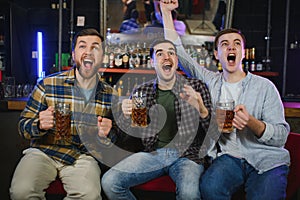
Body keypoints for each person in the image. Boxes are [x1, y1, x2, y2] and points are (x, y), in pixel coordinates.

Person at [160, 0, 290, 199]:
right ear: (216, 54)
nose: (231, 48)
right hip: (229, 157)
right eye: (224, 44)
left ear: (243, 53)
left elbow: (281, 136)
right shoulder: (210, 81)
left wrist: (253, 124)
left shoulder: (265, 87)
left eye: (237, 44)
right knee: (210, 189)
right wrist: (166, 13)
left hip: (266, 159)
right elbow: (180, 53)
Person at [9, 28, 121, 199]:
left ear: (103, 56)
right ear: (74, 54)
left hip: (83, 157)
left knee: (89, 195)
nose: (88, 52)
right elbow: (23, 126)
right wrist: (39, 124)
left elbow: (112, 142)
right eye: (82, 46)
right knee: (21, 191)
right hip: (44, 151)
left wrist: (107, 135)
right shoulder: (48, 84)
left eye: (95, 47)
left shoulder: (110, 94)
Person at [101, 38, 212, 199]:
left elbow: (213, 132)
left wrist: (201, 109)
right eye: (160, 54)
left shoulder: (197, 87)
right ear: (153, 62)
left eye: (171, 53)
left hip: (188, 155)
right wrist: (124, 117)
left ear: (176, 60)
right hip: (153, 154)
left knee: (189, 194)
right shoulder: (142, 91)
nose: (166, 57)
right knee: (110, 182)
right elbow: (131, 135)